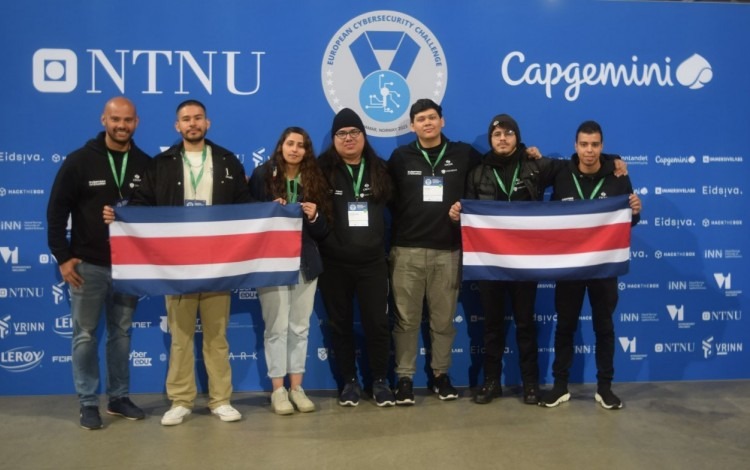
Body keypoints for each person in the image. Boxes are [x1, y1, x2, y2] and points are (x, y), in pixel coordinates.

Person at [126, 99, 251, 425]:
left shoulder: (227, 161)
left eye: (197, 118)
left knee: (217, 336)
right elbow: (142, 206)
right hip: (176, 265)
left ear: (207, 123)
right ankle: (181, 400)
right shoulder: (161, 164)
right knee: (180, 337)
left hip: (217, 263)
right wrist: (120, 215)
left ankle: (220, 399)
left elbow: (245, 207)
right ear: (176, 126)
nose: (192, 123)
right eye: (185, 119)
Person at [47, 96, 150, 430]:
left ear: (137, 122)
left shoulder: (145, 164)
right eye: (116, 119)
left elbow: (154, 215)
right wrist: (63, 258)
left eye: (128, 120)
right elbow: (55, 212)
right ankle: (88, 402)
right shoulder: (79, 161)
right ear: (104, 119)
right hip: (88, 265)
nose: (122, 126)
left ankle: (118, 397)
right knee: (86, 336)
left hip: (128, 268)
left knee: (121, 335)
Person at [449, 114, 558, 405]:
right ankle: (491, 382)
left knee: (525, 324)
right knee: (492, 325)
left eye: (508, 133)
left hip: (525, 262)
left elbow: (575, 168)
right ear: (491, 139)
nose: (502, 138)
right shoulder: (477, 172)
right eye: (497, 134)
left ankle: (531, 385)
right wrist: (457, 216)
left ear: (517, 137)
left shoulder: (535, 165)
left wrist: (612, 161)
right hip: (490, 262)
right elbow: (467, 216)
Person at [539, 120, 642, 410]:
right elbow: (530, 168)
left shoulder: (618, 176)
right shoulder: (560, 173)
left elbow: (627, 222)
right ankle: (560, 387)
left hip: (603, 268)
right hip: (569, 267)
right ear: (575, 146)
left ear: (602, 146)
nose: (589, 150)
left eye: (595, 145)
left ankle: (604, 388)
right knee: (565, 327)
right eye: (584, 144)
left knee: (604, 328)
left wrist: (636, 211)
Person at [387, 99, 482, 404]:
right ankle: (404, 379)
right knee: (405, 321)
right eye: (420, 119)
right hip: (406, 251)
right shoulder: (400, 157)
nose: (426, 123)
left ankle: (440, 376)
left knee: (443, 320)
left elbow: (501, 164)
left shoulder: (464, 154)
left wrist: (529, 153)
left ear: (442, 121)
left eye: (432, 117)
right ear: (412, 126)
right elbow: (385, 198)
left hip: (448, 251)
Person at [248, 127, 329, 415]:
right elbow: (248, 220)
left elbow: (324, 230)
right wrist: (268, 211)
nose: (295, 149)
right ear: (280, 145)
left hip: (306, 261)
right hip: (271, 263)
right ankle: (278, 390)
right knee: (276, 328)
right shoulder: (262, 175)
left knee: (299, 327)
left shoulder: (315, 178)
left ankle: (297, 388)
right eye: (290, 143)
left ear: (307, 151)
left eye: (301, 145)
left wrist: (315, 214)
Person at [317, 109, 395, 407]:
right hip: (334, 263)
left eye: (354, 132)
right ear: (334, 139)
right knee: (341, 324)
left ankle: (379, 381)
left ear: (364, 136)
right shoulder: (321, 169)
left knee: (377, 323)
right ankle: (348, 382)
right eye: (342, 134)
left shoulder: (381, 168)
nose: (348, 138)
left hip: (373, 262)